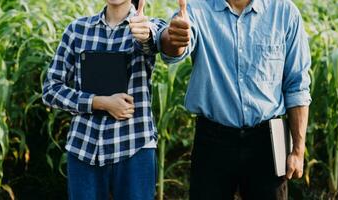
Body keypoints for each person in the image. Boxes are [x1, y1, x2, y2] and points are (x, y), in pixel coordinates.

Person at [159, 0, 311, 199]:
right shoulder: (196, 9)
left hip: (269, 138)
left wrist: (298, 150)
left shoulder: (284, 12)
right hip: (213, 137)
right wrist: (175, 39)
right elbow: (174, 49)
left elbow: (297, 85)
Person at [41, 0, 166, 199]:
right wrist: (100, 102)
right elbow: (50, 90)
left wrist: (146, 34)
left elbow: (153, 41)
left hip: (134, 146)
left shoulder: (147, 26)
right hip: (84, 147)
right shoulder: (77, 30)